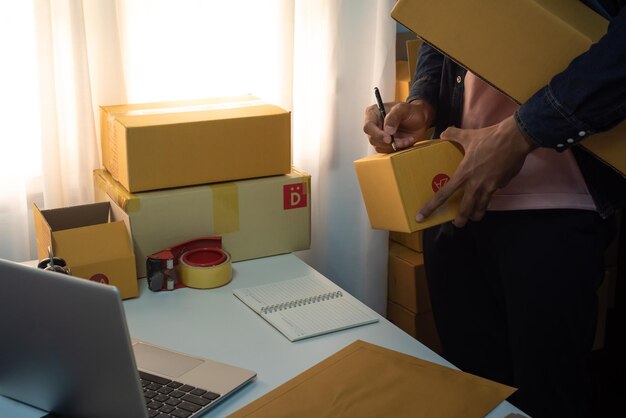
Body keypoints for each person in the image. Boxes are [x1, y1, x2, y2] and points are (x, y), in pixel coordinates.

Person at [363, 2, 626, 418]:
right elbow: (448, 21)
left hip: (557, 202)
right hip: (458, 194)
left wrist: (522, 132)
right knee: (473, 392)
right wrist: (423, 101)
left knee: (547, 399)